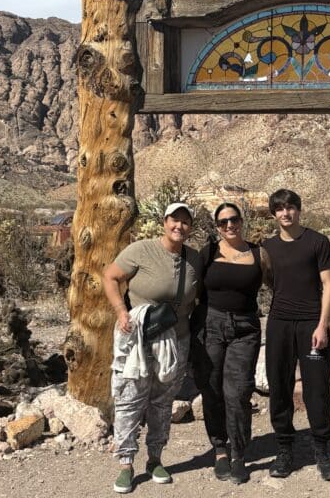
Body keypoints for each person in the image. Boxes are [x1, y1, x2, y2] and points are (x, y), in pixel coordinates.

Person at [103, 202, 202, 494]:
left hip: (176, 340)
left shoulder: (194, 258)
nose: (179, 226)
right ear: (164, 221)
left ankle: (155, 458)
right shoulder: (141, 250)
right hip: (137, 337)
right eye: (174, 220)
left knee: (162, 401)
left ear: (190, 227)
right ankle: (125, 462)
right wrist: (121, 311)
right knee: (129, 398)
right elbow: (110, 277)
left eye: (185, 222)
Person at [261, 189, 330, 481]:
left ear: (299, 210)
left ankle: (322, 450)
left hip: (311, 323)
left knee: (316, 388)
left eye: (290, 208)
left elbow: (328, 284)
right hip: (279, 323)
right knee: (279, 386)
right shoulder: (266, 247)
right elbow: (268, 280)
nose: (285, 214)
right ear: (273, 214)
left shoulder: (317, 242)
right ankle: (285, 450)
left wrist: (323, 325)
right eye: (279, 209)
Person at [192, 203, 268, 484]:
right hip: (211, 325)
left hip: (245, 329)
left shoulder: (259, 254)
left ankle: (239, 452)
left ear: (242, 221)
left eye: (233, 220)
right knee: (211, 388)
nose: (229, 226)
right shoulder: (208, 252)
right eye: (222, 222)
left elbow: (279, 284)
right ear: (217, 227)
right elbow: (191, 288)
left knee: (237, 392)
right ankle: (220, 448)